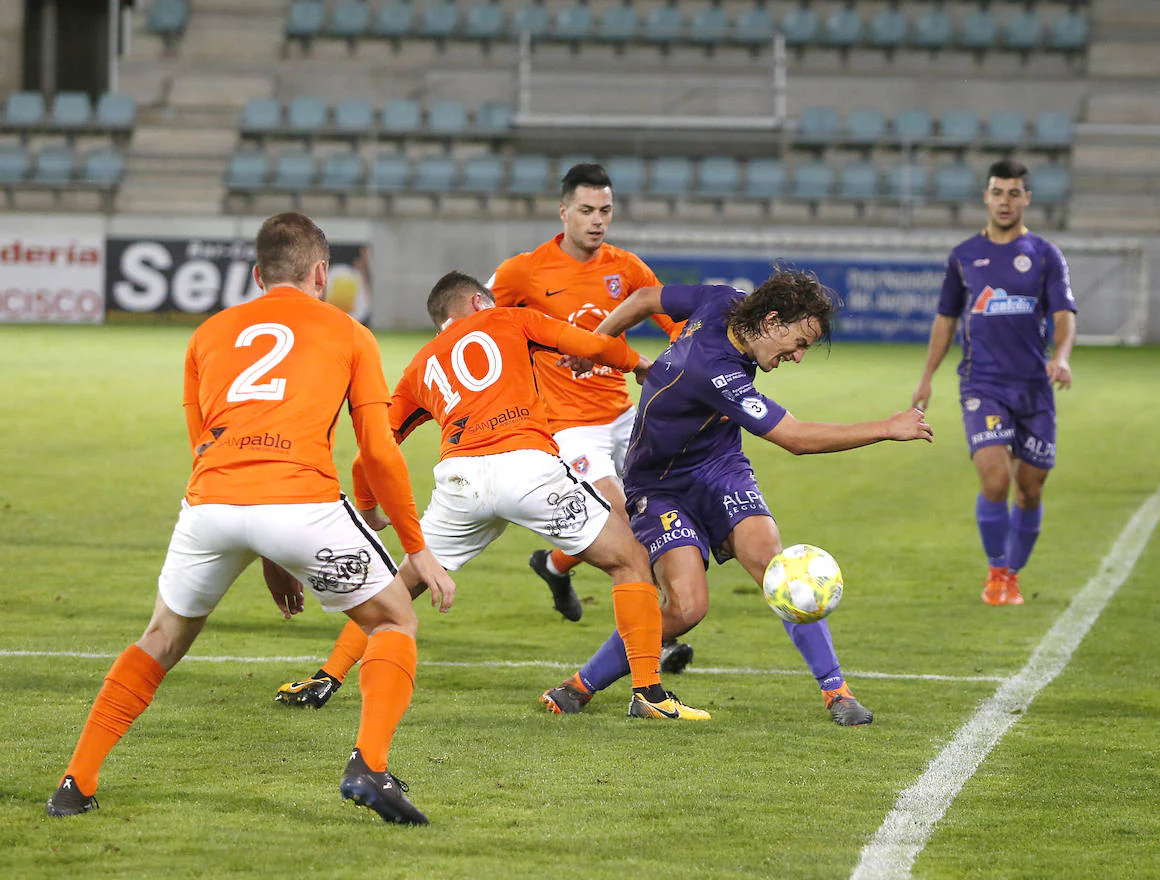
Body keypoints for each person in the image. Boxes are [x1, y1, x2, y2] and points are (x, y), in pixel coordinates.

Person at [45, 212, 456, 826]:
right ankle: (369, 764)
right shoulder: (350, 333)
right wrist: (418, 547)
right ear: (322, 272)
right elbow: (376, 450)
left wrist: (265, 553)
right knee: (394, 618)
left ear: (258, 274)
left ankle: (75, 782)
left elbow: (202, 446)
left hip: (211, 505)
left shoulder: (207, 335)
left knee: (160, 639)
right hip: (301, 502)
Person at [274, 272, 709, 721]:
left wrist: (368, 506)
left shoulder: (420, 364)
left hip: (460, 483)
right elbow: (592, 346)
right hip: (527, 469)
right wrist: (637, 364)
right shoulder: (508, 319)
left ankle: (328, 676)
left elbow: (372, 450)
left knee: (401, 586)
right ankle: (649, 693)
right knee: (631, 560)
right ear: (478, 301)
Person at [538, 269, 934, 726]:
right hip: (659, 484)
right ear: (771, 322)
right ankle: (582, 684)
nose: (799, 357)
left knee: (778, 568)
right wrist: (887, 427)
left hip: (720, 468)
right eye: (800, 343)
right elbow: (796, 438)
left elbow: (646, 297)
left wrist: (595, 345)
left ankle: (836, 691)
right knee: (688, 607)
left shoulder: (723, 302)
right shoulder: (716, 372)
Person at [488, 163, 695, 674]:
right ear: (563, 212)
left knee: (657, 511)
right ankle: (658, 643)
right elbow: (477, 325)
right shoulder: (524, 271)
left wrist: (691, 365)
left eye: (605, 210)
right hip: (568, 424)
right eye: (586, 210)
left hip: (624, 414)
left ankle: (555, 564)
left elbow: (678, 324)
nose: (597, 220)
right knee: (624, 521)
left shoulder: (627, 269)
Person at [911, 159, 1077, 607]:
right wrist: (927, 376)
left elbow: (1064, 317)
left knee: (1031, 487)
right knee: (996, 479)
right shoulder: (963, 255)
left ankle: (1014, 574)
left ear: (1026, 199)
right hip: (981, 383)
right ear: (986, 197)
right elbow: (946, 319)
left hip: (1034, 387)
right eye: (998, 192)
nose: (1005, 201)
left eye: (1014, 193)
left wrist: (1061, 357)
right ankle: (998, 573)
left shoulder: (1045, 255)